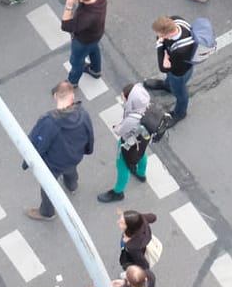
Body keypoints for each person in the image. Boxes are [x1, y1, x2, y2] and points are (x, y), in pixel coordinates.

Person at [24, 81, 94, 221]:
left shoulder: (49, 121)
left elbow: (38, 144)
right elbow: (90, 134)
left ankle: (47, 212)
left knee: (48, 187)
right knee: (70, 170)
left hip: (54, 162)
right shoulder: (83, 114)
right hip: (74, 156)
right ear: (72, 97)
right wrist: (87, 150)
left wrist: (27, 162)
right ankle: (72, 185)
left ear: (55, 96)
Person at [98, 82, 151, 202]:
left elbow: (120, 131)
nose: (122, 98)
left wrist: (116, 127)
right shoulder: (145, 105)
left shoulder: (132, 118)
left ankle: (118, 192)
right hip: (142, 139)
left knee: (122, 166)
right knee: (141, 154)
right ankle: (141, 174)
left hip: (128, 143)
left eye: (124, 97)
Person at [150, 15, 197, 123]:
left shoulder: (181, 50)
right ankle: (167, 86)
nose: (157, 36)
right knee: (170, 80)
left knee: (180, 92)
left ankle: (180, 113)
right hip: (177, 63)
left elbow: (163, 68)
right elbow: (166, 62)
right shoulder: (177, 20)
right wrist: (165, 56)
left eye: (160, 34)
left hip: (180, 72)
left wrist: (159, 45)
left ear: (168, 34)